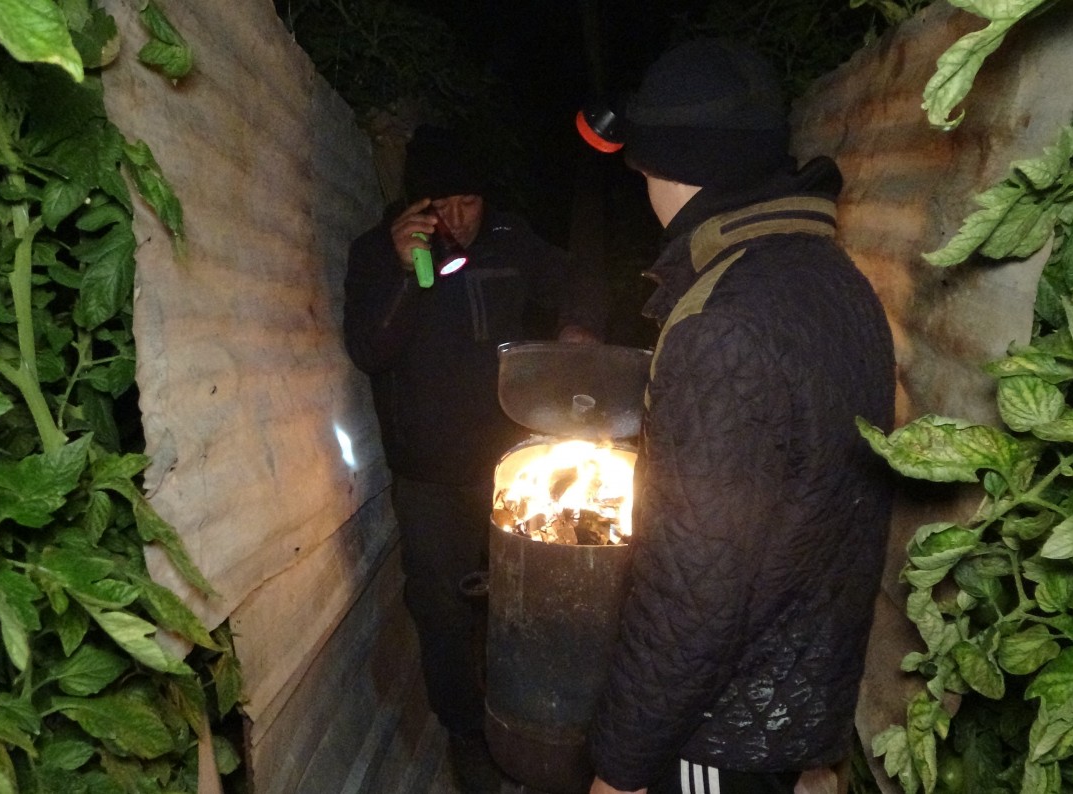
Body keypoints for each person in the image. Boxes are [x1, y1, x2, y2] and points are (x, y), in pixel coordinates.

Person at [580, 40, 896, 794]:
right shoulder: (830, 277)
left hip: (722, 730)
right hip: (795, 700)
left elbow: (693, 592)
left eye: (640, 165)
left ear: (666, 163)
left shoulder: (722, 320)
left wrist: (619, 772)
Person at [342, 125, 603, 793]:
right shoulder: (377, 253)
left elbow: (576, 277)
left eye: (469, 201)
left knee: (526, 600)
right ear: (415, 206)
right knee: (439, 609)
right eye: (441, 204)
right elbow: (371, 349)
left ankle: (532, 719)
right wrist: (405, 275)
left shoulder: (510, 241)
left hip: (511, 470)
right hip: (427, 476)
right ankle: (466, 734)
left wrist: (576, 325)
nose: (457, 218)